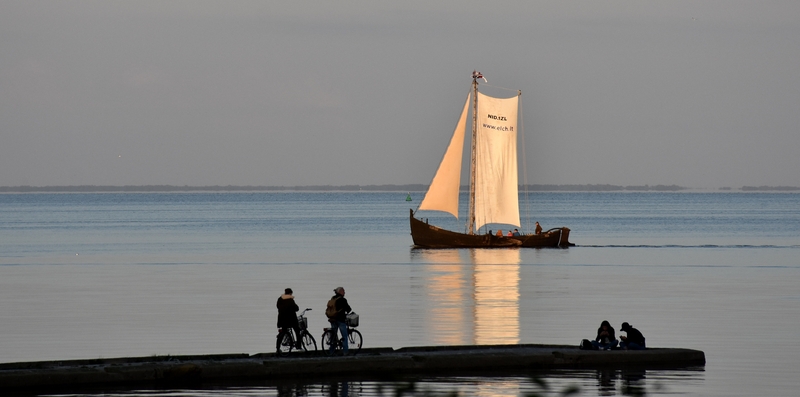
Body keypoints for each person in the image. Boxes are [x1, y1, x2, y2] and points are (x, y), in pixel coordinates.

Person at [327, 286, 352, 354]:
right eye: (343, 291)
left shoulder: (333, 298)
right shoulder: (342, 300)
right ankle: (345, 351)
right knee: (344, 335)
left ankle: (331, 351)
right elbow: (349, 309)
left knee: (333, 335)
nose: (344, 292)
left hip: (332, 318)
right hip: (340, 320)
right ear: (340, 292)